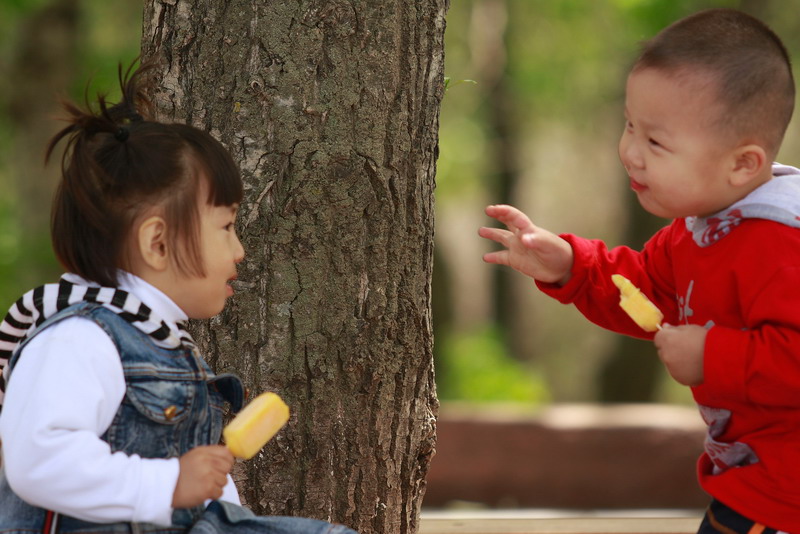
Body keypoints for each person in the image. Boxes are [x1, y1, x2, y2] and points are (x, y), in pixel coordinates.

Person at [0, 63, 358, 533]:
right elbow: (38, 462)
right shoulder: (80, 338)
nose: (240, 250)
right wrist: (167, 482)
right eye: (227, 227)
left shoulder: (157, 340)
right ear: (158, 243)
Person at [480, 8, 800, 534]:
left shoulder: (780, 245)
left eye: (656, 142)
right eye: (630, 126)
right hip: (750, 484)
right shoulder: (700, 227)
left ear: (743, 163)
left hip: (784, 500)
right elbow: (646, 292)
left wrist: (710, 354)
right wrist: (570, 265)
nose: (630, 152)